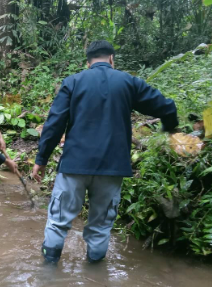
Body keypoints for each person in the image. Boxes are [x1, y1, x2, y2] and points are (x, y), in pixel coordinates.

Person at [32, 40, 178, 264]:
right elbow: (167, 107)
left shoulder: (73, 82)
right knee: (100, 226)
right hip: (112, 168)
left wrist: (41, 160)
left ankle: (48, 271)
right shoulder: (128, 82)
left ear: (88, 61)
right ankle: (95, 272)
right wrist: (170, 130)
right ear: (111, 59)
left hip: (74, 166)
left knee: (58, 221)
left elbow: (54, 124)